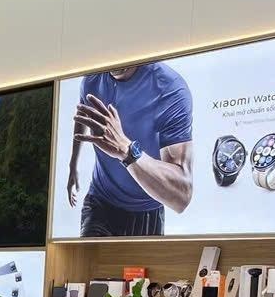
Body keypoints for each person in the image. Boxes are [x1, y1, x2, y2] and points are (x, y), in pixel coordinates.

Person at [67, 62, 194, 236]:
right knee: (88, 254)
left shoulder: (170, 88)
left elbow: (182, 196)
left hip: (147, 210)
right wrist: (72, 165)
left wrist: (126, 150)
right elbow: (83, 115)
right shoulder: (92, 78)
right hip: (100, 202)